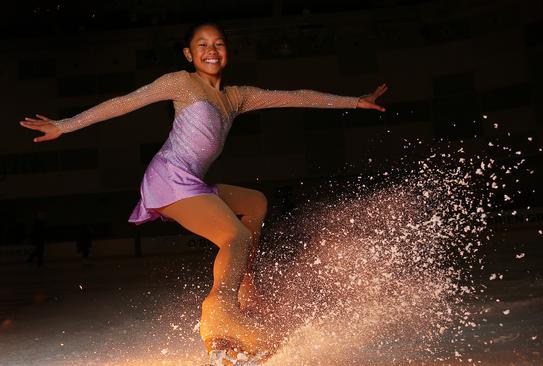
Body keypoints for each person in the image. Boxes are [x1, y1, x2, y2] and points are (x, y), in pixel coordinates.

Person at [19, 21, 387, 357]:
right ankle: (219, 310)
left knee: (255, 203)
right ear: (189, 54)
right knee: (235, 236)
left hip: (192, 182)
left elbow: (297, 94)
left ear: (227, 51)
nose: (211, 50)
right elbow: (123, 102)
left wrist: (354, 101)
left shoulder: (237, 96)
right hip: (168, 178)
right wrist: (64, 125)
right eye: (202, 44)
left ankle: (242, 288)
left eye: (219, 44)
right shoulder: (180, 83)